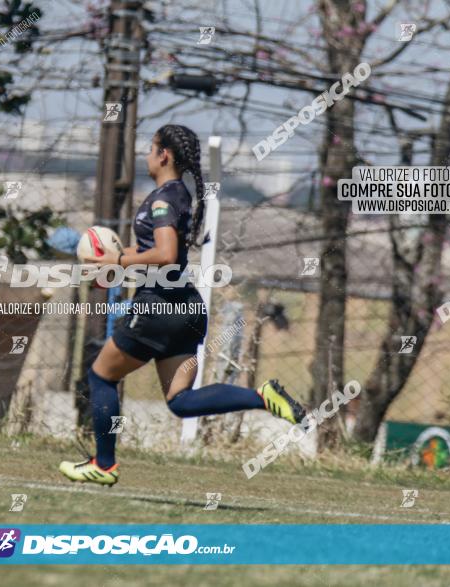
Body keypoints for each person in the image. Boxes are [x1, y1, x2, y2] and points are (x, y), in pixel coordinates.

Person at [58, 124, 306, 486]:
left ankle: (104, 464)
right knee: (179, 400)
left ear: (165, 155)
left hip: (159, 308)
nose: (146, 155)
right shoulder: (175, 195)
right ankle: (262, 397)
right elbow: (154, 254)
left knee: (101, 375)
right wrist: (113, 260)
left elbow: (165, 254)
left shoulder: (162, 199)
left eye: (151, 148)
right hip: (185, 308)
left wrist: (120, 263)